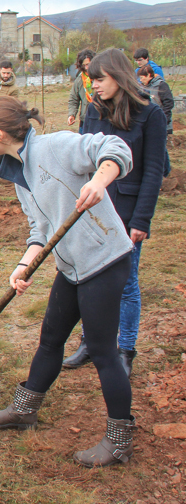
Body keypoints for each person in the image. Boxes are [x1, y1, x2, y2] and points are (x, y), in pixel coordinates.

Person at [0, 96, 136, 468]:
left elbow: (114, 147)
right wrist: (23, 266)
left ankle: (120, 441)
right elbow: (40, 228)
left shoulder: (56, 146)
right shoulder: (17, 172)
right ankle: (24, 410)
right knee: (50, 339)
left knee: (102, 351)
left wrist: (100, 179)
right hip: (72, 268)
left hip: (104, 261)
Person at [62, 49, 167, 377]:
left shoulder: (151, 115)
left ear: (120, 77)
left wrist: (141, 220)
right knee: (87, 277)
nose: (93, 85)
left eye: (99, 79)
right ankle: (90, 344)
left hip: (127, 210)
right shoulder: (94, 111)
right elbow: (81, 158)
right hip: (93, 209)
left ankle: (125, 348)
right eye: (91, 79)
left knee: (125, 282)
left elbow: (153, 171)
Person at [138, 64, 174, 177]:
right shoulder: (143, 88)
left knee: (161, 148)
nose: (140, 80)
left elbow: (169, 103)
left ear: (149, 75)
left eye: (142, 77)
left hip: (163, 123)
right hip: (149, 123)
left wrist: (165, 120)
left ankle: (166, 172)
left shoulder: (161, 85)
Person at [67, 49, 95, 134]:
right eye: (84, 65)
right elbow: (73, 99)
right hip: (85, 121)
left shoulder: (101, 78)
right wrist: (72, 114)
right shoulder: (79, 80)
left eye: (89, 64)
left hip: (100, 119)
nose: (87, 67)